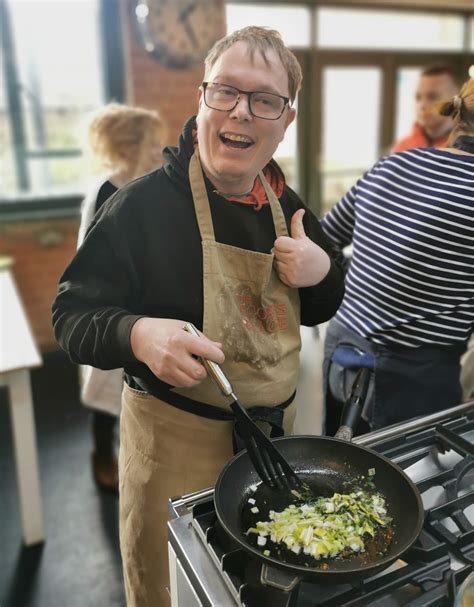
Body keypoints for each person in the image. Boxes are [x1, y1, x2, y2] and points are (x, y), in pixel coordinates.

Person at [52, 26, 345, 606]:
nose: (242, 111)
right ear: (202, 98)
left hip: (268, 450)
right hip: (173, 448)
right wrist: (136, 333)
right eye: (226, 90)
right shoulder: (139, 208)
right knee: (170, 589)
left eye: (265, 99)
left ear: (286, 120)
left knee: (252, 587)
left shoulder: (286, 205)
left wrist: (323, 271)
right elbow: (71, 314)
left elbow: (320, 306)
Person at [321, 77, 474, 435]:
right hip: (415, 377)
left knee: (335, 461)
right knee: (407, 469)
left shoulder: (393, 164)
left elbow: (322, 238)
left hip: (342, 351)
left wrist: (361, 282)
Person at [78, 103, 165, 492]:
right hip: (109, 306)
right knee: (106, 389)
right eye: (152, 145)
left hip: (142, 304)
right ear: (128, 148)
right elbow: (95, 259)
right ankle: (102, 454)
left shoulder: (147, 184)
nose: (159, 151)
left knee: (135, 387)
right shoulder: (106, 190)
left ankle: (135, 452)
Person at [392, 64, 460, 153]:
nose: (422, 105)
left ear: (455, 99)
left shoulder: (467, 148)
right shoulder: (402, 148)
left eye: (432, 97)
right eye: (418, 97)